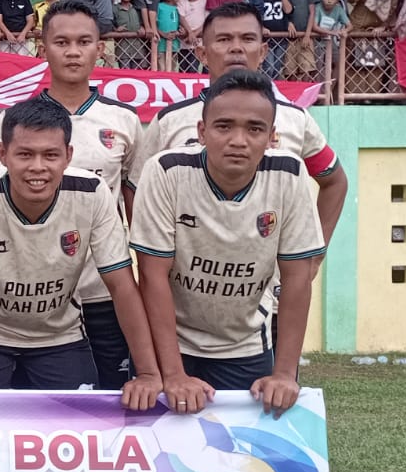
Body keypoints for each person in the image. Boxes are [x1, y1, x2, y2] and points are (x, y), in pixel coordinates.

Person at [0, 96, 161, 399]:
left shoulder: (92, 192)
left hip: (59, 335)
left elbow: (121, 284)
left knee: (78, 422)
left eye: (50, 155)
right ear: (2, 154)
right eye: (25, 154)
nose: (37, 167)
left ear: (68, 155)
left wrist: (148, 373)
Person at [131, 69, 324, 416]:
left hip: (244, 343)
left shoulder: (290, 174)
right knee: (160, 443)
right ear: (202, 132)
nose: (238, 140)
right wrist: (173, 374)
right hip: (172, 342)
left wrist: (284, 373)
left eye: (254, 129)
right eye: (224, 126)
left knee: (245, 448)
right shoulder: (166, 172)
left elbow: (297, 277)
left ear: (272, 137)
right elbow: (152, 275)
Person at [0, 0, 141, 386]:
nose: (73, 52)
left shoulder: (124, 120)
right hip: (34, 294)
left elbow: (133, 204)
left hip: (103, 291)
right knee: (39, 406)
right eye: (61, 42)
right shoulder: (12, 121)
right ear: (42, 48)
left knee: (114, 398)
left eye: (83, 42)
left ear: (99, 48)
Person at [132, 1, 346, 264]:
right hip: (185, 282)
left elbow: (335, 181)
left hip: (269, 285)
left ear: (263, 51)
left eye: (247, 39)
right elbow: (135, 188)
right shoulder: (170, 120)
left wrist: (313, 258)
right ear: (202, 54)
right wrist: (151, 259)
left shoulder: (295, 119)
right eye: (224, 39)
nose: (236, 48)